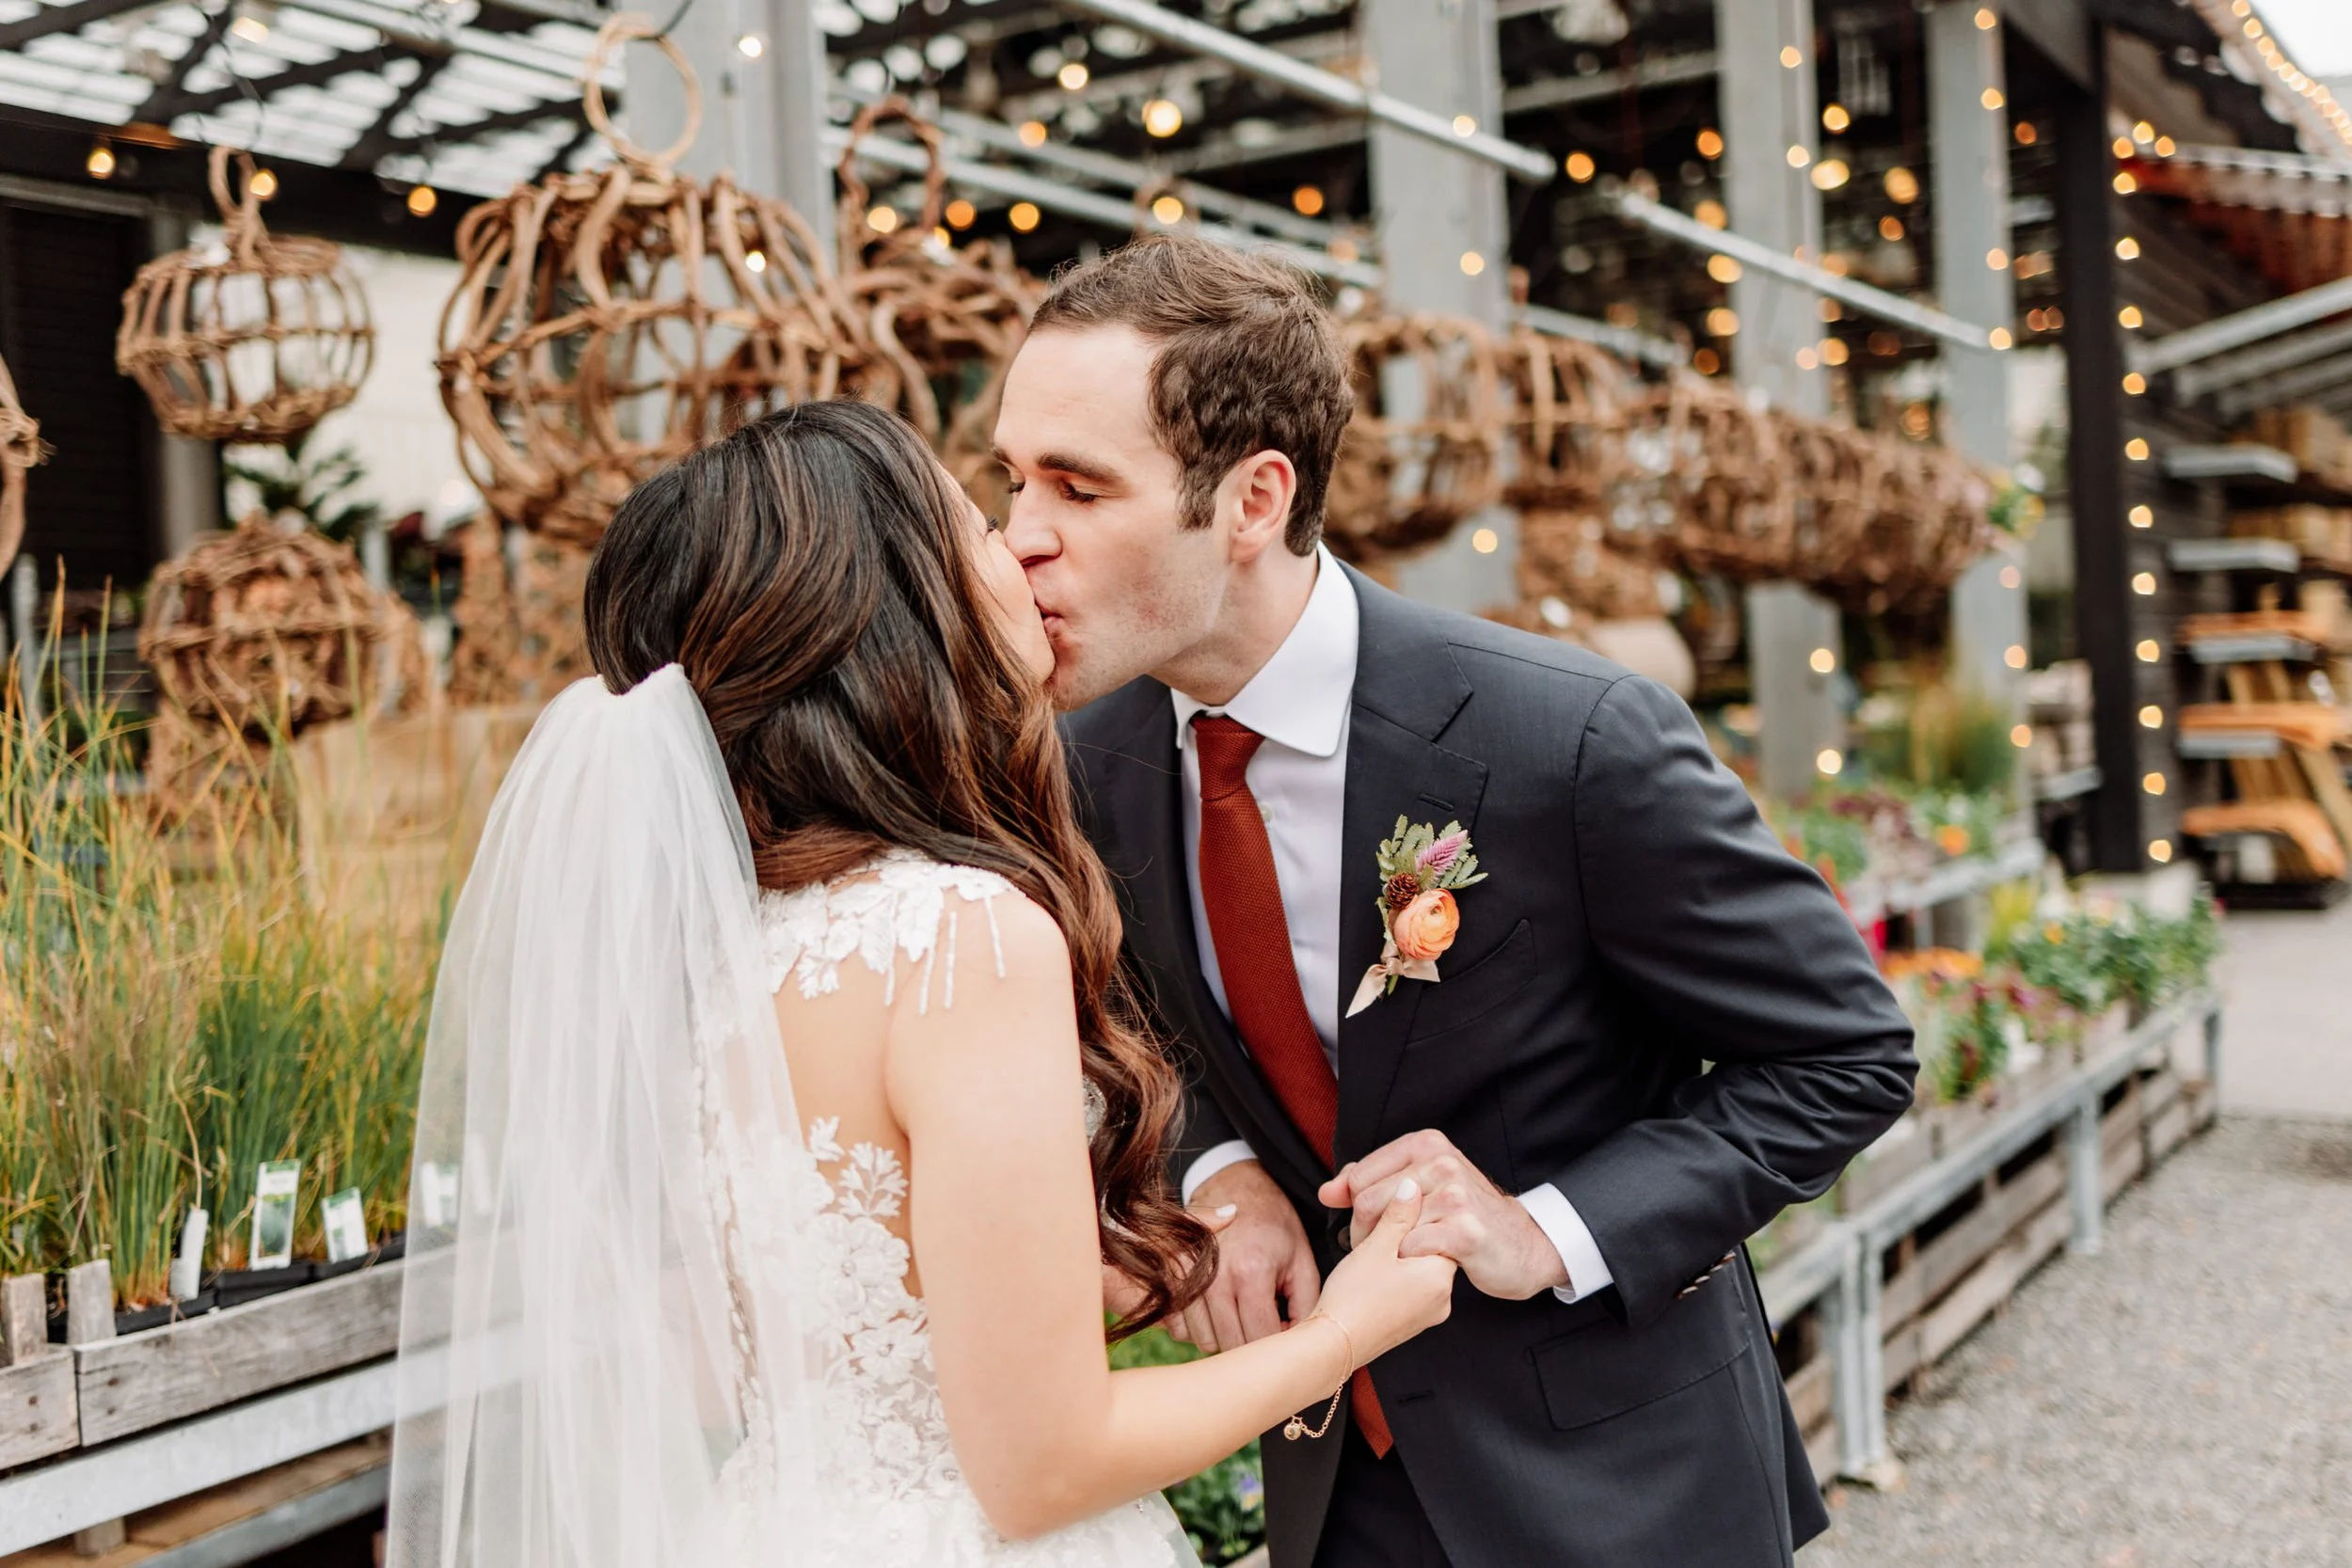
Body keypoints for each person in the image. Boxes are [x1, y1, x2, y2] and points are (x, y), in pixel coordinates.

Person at [384, 400, 1458, 1568]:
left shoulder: (725, 940)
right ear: (900, 613)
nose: (1021, 549)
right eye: (978, 527)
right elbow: (1044, 1466)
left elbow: (803, 1309)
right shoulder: (954, 933)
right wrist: (1351, 1328)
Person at [1003, 234, 1919, 1568]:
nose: (1018, 534)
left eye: (1078, 487)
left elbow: (1848, 1051)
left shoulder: (1574, 737)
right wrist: (1217, 1169)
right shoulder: (1086, 763)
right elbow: (1147, 1017)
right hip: (1333, 1489)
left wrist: (1542, 1227)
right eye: (1014, 478)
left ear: (1254, 501)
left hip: (1626, 1485)